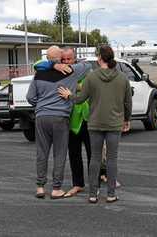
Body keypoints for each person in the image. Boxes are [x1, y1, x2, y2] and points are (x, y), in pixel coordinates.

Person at [58, 45, 132, 203]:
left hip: (95, 123)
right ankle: (111, 194)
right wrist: (127, 119)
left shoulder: (91, 77)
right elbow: (127, 102)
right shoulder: (122, 77)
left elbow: (80, 99)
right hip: (114, 123)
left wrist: (69, 95)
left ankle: (93, 194)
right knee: (112, 159)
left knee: (95, 159)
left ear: (99, 58)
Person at [26, 46, 91, 199]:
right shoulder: (71, 71)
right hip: (60, 117)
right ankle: (56, 189)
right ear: (60, 57)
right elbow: (88, 65)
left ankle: (40, 187)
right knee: (59, 154)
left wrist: (42, 104)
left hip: (41, 117)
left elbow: (30, 98)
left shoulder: (39, 73)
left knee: (42, 153)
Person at [61, 47, 91, 198]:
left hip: (88, 118)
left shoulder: (85, 71)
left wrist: (76, 88)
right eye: (63, 60)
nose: (66, 62)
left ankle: (96, 181)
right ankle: (77, 184)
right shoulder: (59, 74)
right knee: (74, 154)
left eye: (69, 59)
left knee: (94, 154)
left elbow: (90, 89)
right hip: (71, 119)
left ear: (75, 59)